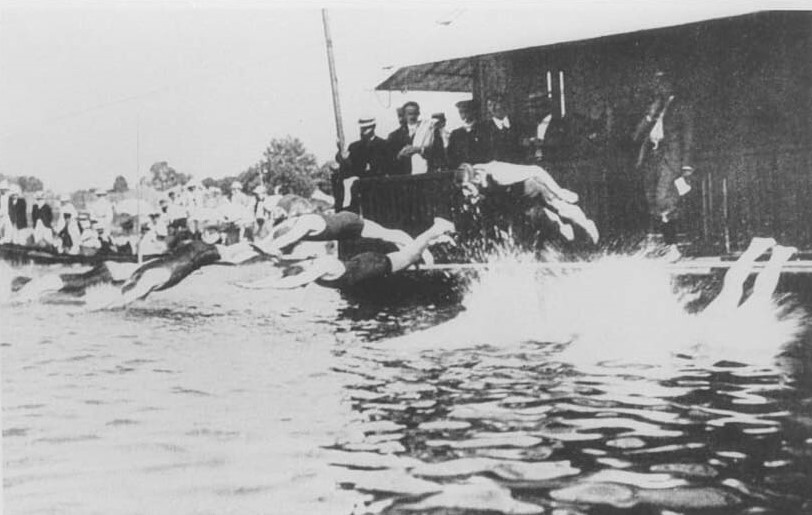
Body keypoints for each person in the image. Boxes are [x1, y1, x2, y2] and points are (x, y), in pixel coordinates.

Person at [237, 217, 455, 290]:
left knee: (410, 256)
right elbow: (283, 276)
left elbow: (290, 282)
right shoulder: (311, 263)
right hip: (361, 262)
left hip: (370, 264)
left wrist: (269, 248)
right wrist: (252, 284)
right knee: (402, 247)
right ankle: (435, 239)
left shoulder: (318, 266)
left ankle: (436, 230)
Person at [459, 161, 599, 244]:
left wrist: (559, 191)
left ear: (475, 180)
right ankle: (562, 227)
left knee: (563, 209)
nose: (465, 193)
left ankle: (586, 223)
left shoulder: (498, 174)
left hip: (534, 188)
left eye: (466, 188)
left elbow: (537, 170)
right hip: (516, 198)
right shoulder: (475, 181)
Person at [632, 68, 695, 245]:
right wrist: (650, 115)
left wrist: (686, 165)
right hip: (653, 156)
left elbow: (689, 136)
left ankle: (673, 246)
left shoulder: (682, 106)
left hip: (671, 158)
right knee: (652, 200)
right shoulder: (653, 109)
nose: (658, 87)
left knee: (664, 199)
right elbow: (636, 136)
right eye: (656, 84)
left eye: (661, 83)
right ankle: (668, 245)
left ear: (671, 84)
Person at [252, 211, 415, 257]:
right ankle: (410, 247)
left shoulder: (302, 225)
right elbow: (274, 233)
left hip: (350, 222)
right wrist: (262, 244)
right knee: (387, 235)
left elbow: (288, 238)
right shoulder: (290, 223)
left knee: (386, 234)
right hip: (341, 224)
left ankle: (418, 247)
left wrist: (270, 248)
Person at [387, 101, 446, 175]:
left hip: (425, 175)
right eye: (409, 114)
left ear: (418, 114)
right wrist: (400, 155)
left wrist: (420, 150)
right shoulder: (394, 136)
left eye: (415, 114)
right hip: (403, 177)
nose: (412, 117)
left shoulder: (429, 131)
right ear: (404, 115)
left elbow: (439, 153)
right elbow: (389, 161)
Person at [481, 93, 525, 164]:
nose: (495, 108)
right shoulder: (483, 128)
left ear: (505, 104)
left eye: (497, 103)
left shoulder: (518, 125)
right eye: (490, 105)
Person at [447, 100, 486, 169]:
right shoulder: (455, 134)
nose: (464, 115)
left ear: (473, 112)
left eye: (466, 112)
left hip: (480, 168)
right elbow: (451, 156)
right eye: (461, 112)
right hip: (462, 170)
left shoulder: (483, 130)